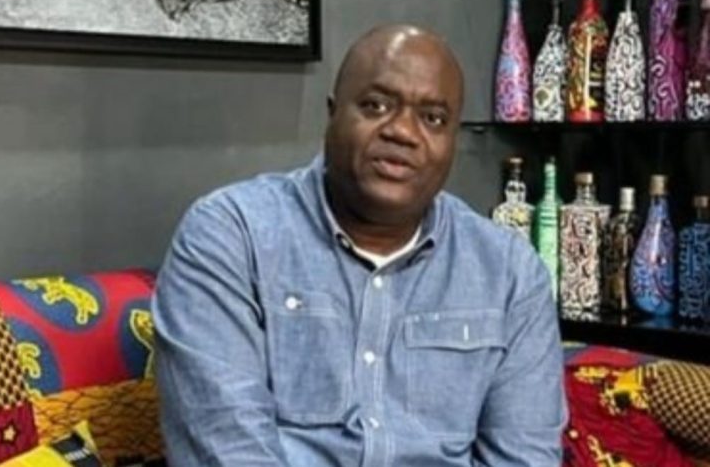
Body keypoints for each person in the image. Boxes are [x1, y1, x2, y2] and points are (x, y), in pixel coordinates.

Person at [152, 24, 567, 466]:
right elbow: (227, 451)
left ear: (453, 140)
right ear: (332, 115)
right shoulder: (232, 236)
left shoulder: (510, 272)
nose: (403, 131)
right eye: (376, 105)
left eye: (433, 118)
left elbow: (524, 458)